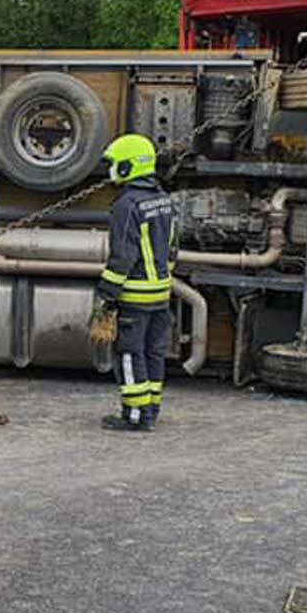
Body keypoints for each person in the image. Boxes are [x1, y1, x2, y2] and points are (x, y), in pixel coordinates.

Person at [93, 134, 177, 432]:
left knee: (129, 354)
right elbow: (172, 250)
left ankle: (134, 416)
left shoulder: (126, 206)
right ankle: (151, 410)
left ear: (129, 167)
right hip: (161, 295)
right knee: (154, 353)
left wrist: (106, 295)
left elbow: (122, 257)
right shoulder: (164, 201)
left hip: (135, 296)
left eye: (115, 164)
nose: (111, 171)